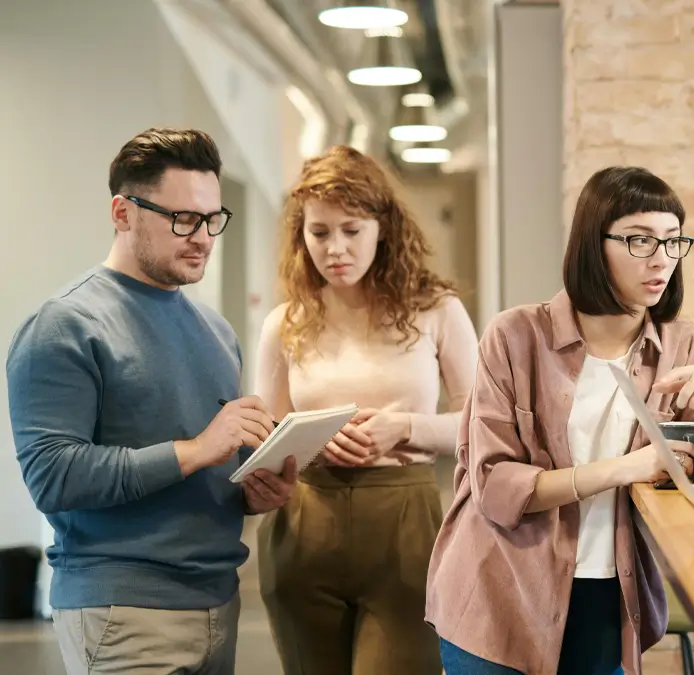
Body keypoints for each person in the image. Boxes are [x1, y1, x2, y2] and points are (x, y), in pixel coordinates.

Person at [426, 166, 694, 675]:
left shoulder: (684, 344)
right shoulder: (515, 336)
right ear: (592, 246)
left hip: (609, 596)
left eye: (672, 241)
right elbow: (495, 486)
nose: (661, 259)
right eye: (640, 240)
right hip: (499, 593)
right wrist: (625, 469)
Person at [6, 128, 295, 675]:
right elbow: (53, 477)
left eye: (212, 219)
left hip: (218, 600)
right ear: (122, 213)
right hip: (123, 612)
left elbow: (206, 471)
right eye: (182, 219)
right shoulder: (65, 325)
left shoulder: (215, 330)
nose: (203, 237)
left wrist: (255, 491)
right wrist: (198, 449)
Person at [254, 145, 479, 675]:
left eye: (352, 230)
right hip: (305, 521)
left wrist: (406, 428)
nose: (336, 249)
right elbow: (265, 437)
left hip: (404, 520)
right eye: (319, 232)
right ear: (301, 236)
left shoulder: (437, 310)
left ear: (383, 228)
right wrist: (310, 441)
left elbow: (483, 427)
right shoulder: (284, 322)